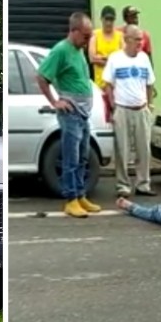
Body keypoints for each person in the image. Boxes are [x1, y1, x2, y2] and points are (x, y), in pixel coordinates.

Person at [36, 12, 103, 218]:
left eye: (89, 35)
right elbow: (41, 76)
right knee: (71, 157)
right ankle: (71, 199)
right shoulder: (61, 50)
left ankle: (80, 194)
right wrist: (56, 101)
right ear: (73, 31)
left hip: (83, 113)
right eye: (85, 35)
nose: (87, 40)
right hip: (71, 113)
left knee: (83, 155)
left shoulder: (78, 49)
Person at [102, 25, 157, 197]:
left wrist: (148, 105)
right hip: (122, 109)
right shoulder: (115, 59)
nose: (141, 42)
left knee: (144, 149)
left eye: (142, 39)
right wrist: (113, 106)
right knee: (122, 150)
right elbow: (108, 84)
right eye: (137, 39)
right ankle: (123, 186)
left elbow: (149, 84)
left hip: (141, 109)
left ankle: (143, 184)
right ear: (127, 39)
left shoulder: (144, 59)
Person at [89, 5, 123, 124]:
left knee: (118, 119)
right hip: (100, 84)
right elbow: (92, 58)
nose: (109, 23)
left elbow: (122, 59)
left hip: (117, 85)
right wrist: (112, 59)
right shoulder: (95, 35)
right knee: (104, 120)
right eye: (106, 19)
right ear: (101, 19)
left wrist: (103, 58)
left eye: (111, 20)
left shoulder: (119, 36)